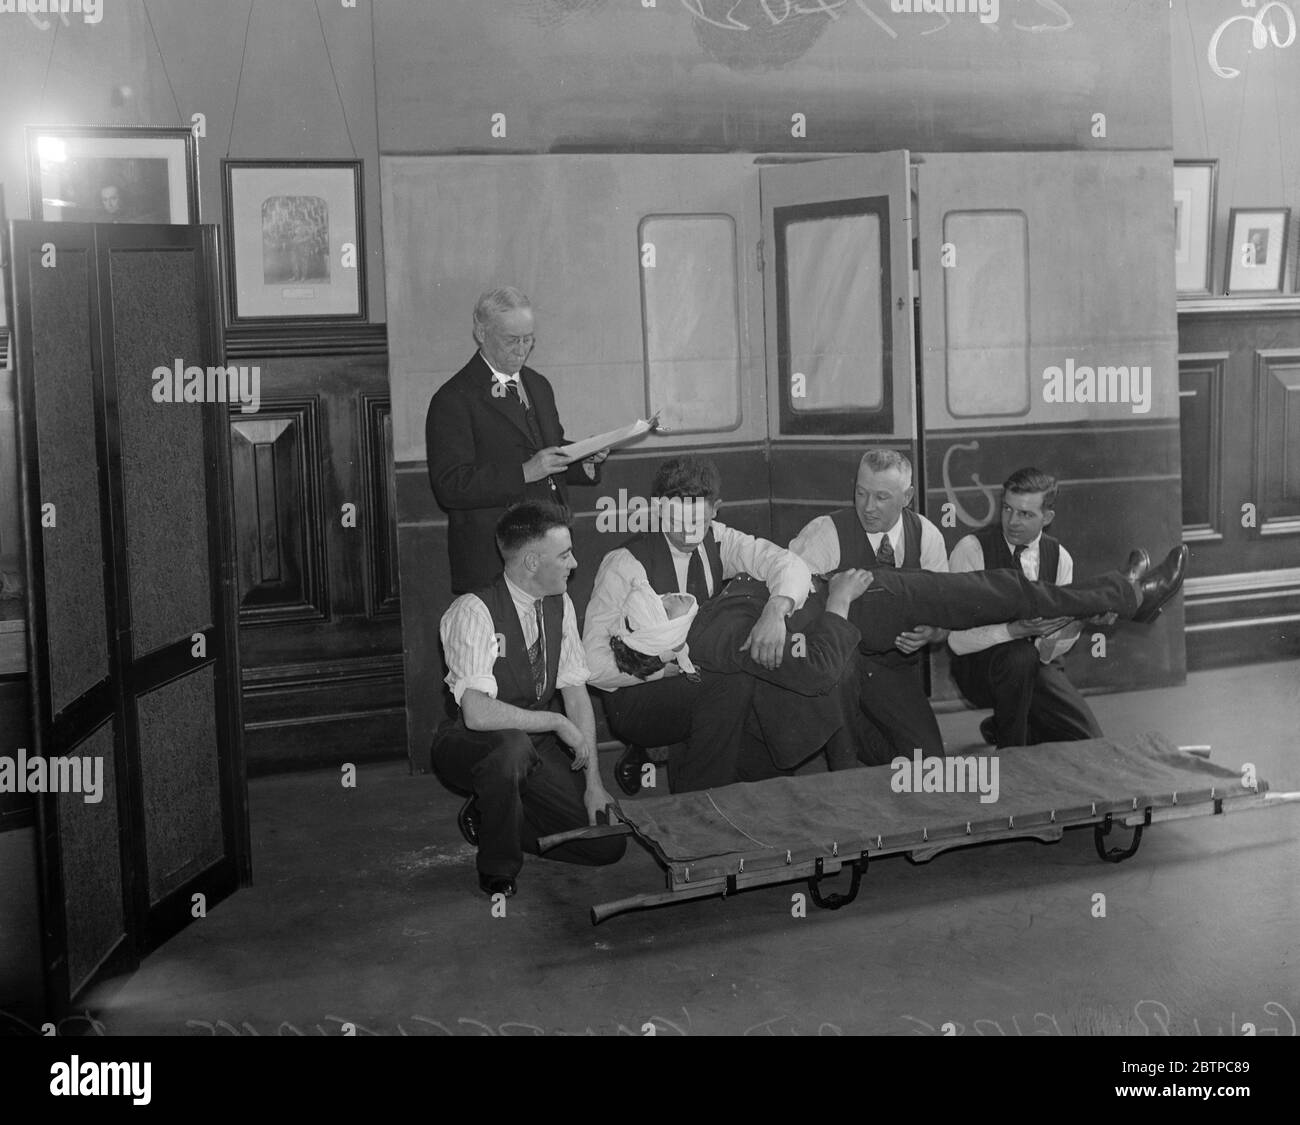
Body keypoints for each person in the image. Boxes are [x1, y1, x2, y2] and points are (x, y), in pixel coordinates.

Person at [582, 454, 813, 794]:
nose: (689, 532)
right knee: (729, 682)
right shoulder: (624, 564)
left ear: (715, 508)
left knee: (752, 668)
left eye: (699, 521)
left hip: (698, 677)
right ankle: (701, 801)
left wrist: (776, 610)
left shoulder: (719, 539)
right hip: (636, 694)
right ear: (659, 508)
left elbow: (787, 563)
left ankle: (763, 795)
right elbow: (593, 665)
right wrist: (662, 666)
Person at [431, 501, 623, 898]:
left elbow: (574, 692)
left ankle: (494, 813)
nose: (574, 563)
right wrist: (554, 722)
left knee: (606, 845)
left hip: (531, 745)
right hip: (471, 744)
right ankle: (498, 866)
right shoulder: (474, 610)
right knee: (510, 748)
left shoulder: (560, 603)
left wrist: (593, 783)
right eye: (565, 554)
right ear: (532, 562)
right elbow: (478, 713)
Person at [426, 287, 606, 594]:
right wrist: (523, 472)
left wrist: (584, 459)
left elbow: (547, 452)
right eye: (512, 340)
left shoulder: (538, 385)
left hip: (549, 554)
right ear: (481, 332)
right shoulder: (453, 399)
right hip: (494, 561)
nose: (522, 349)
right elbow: (450, 486)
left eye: (529, 339)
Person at [790, 448, 949, 764]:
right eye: (861, 493)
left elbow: (946, 612)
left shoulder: (927, 535)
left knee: (931, 764)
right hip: (838, 668)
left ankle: (850, 735)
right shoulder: (824, 533)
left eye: (881, 497)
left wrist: (934, 633)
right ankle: (842, 749)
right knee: (847, 759)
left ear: (908, 497)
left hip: (893, 670)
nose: (868, 507)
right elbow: (790, 608)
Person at [948, 468, 1105, 748]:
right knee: (1019, 656)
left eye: (1025, 514)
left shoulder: (1060, 558)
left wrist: (1072, 625)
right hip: (979, 670)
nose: (1012, 521)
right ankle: (1012, 752)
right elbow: (956, 640)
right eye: (1008, 509)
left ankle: (1005, 726)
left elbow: (1051, 652)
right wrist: (1013, 630)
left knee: (1087, 741)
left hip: (1038, 667)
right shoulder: (971, 550)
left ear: (1047, 518)